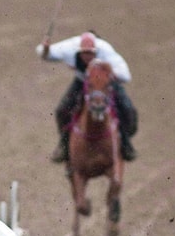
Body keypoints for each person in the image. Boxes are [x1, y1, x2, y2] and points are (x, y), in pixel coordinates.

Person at [38, 31, 138, 162]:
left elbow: (126, 75)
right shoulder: (69, 47)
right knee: (61, 110)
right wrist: (45, 49)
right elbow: (44, 53)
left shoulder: (106, 50)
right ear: (79, 51)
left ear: (96, 51)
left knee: (127, 108)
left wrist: (110, 73)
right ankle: (64, 145)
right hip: (82, 81)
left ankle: (125, 143)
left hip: (104, 82)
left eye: (90, 53)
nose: (87, 57)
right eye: (85, 53)